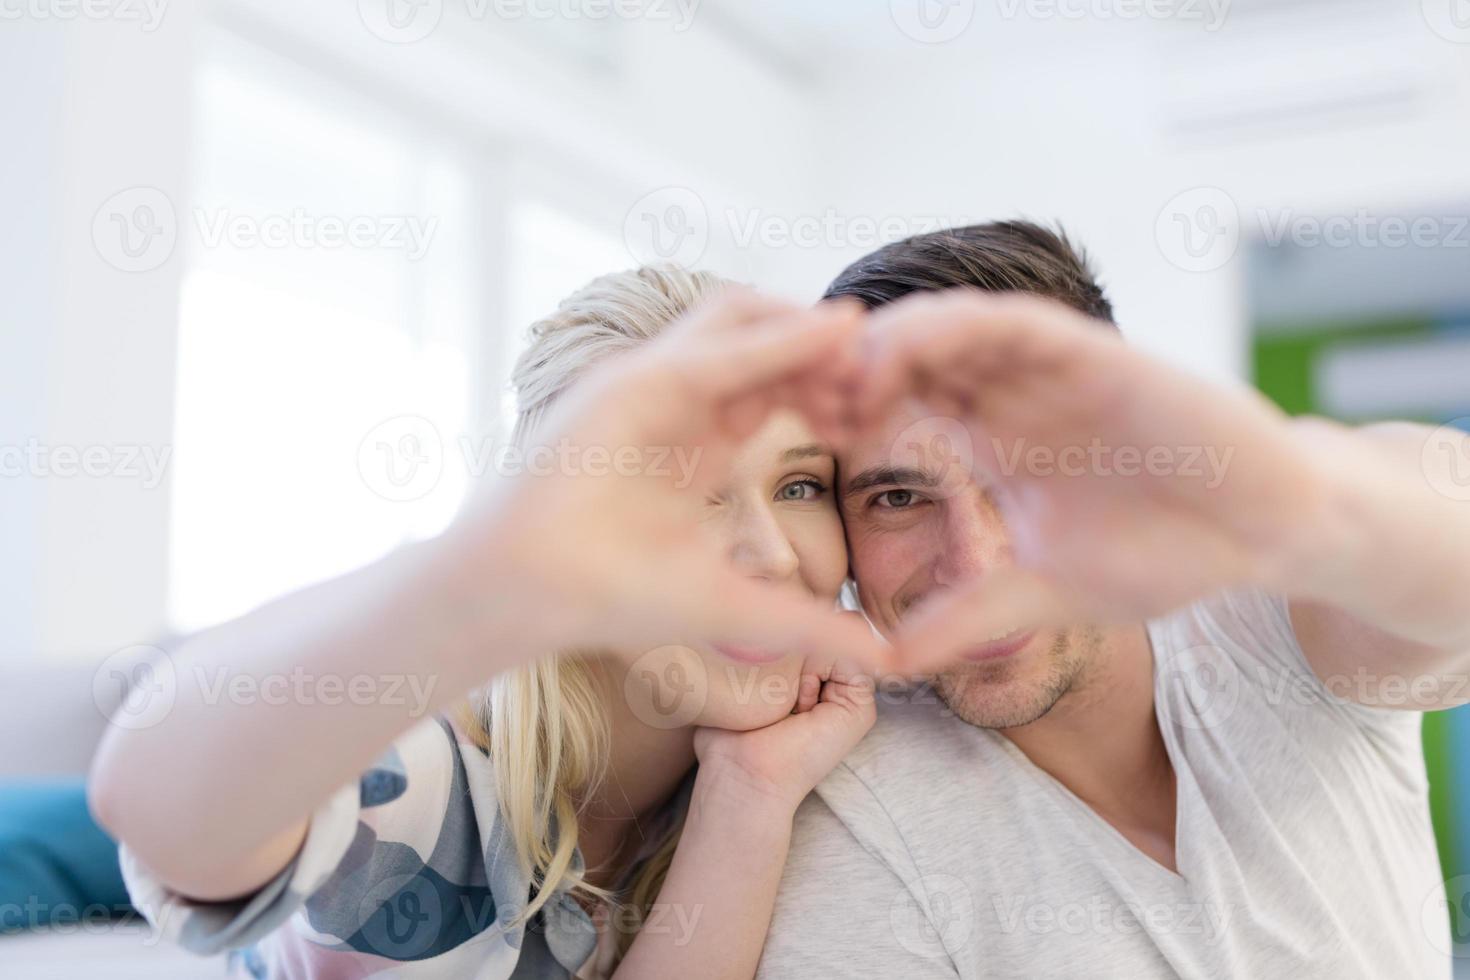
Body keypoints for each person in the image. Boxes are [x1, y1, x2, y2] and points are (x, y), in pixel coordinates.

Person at [89, 266, 885, 979]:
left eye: (801, 486)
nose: (772, 556)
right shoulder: (415, 792)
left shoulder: (808, 779)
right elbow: (154, 805)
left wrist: (747, 797)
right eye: (687, 490)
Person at [756, 222, 1470, 978]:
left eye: (1028, 477)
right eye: (898, 497)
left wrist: (1270, 484)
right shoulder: (859, 821)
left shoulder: (1273, 622)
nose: (972, 565)